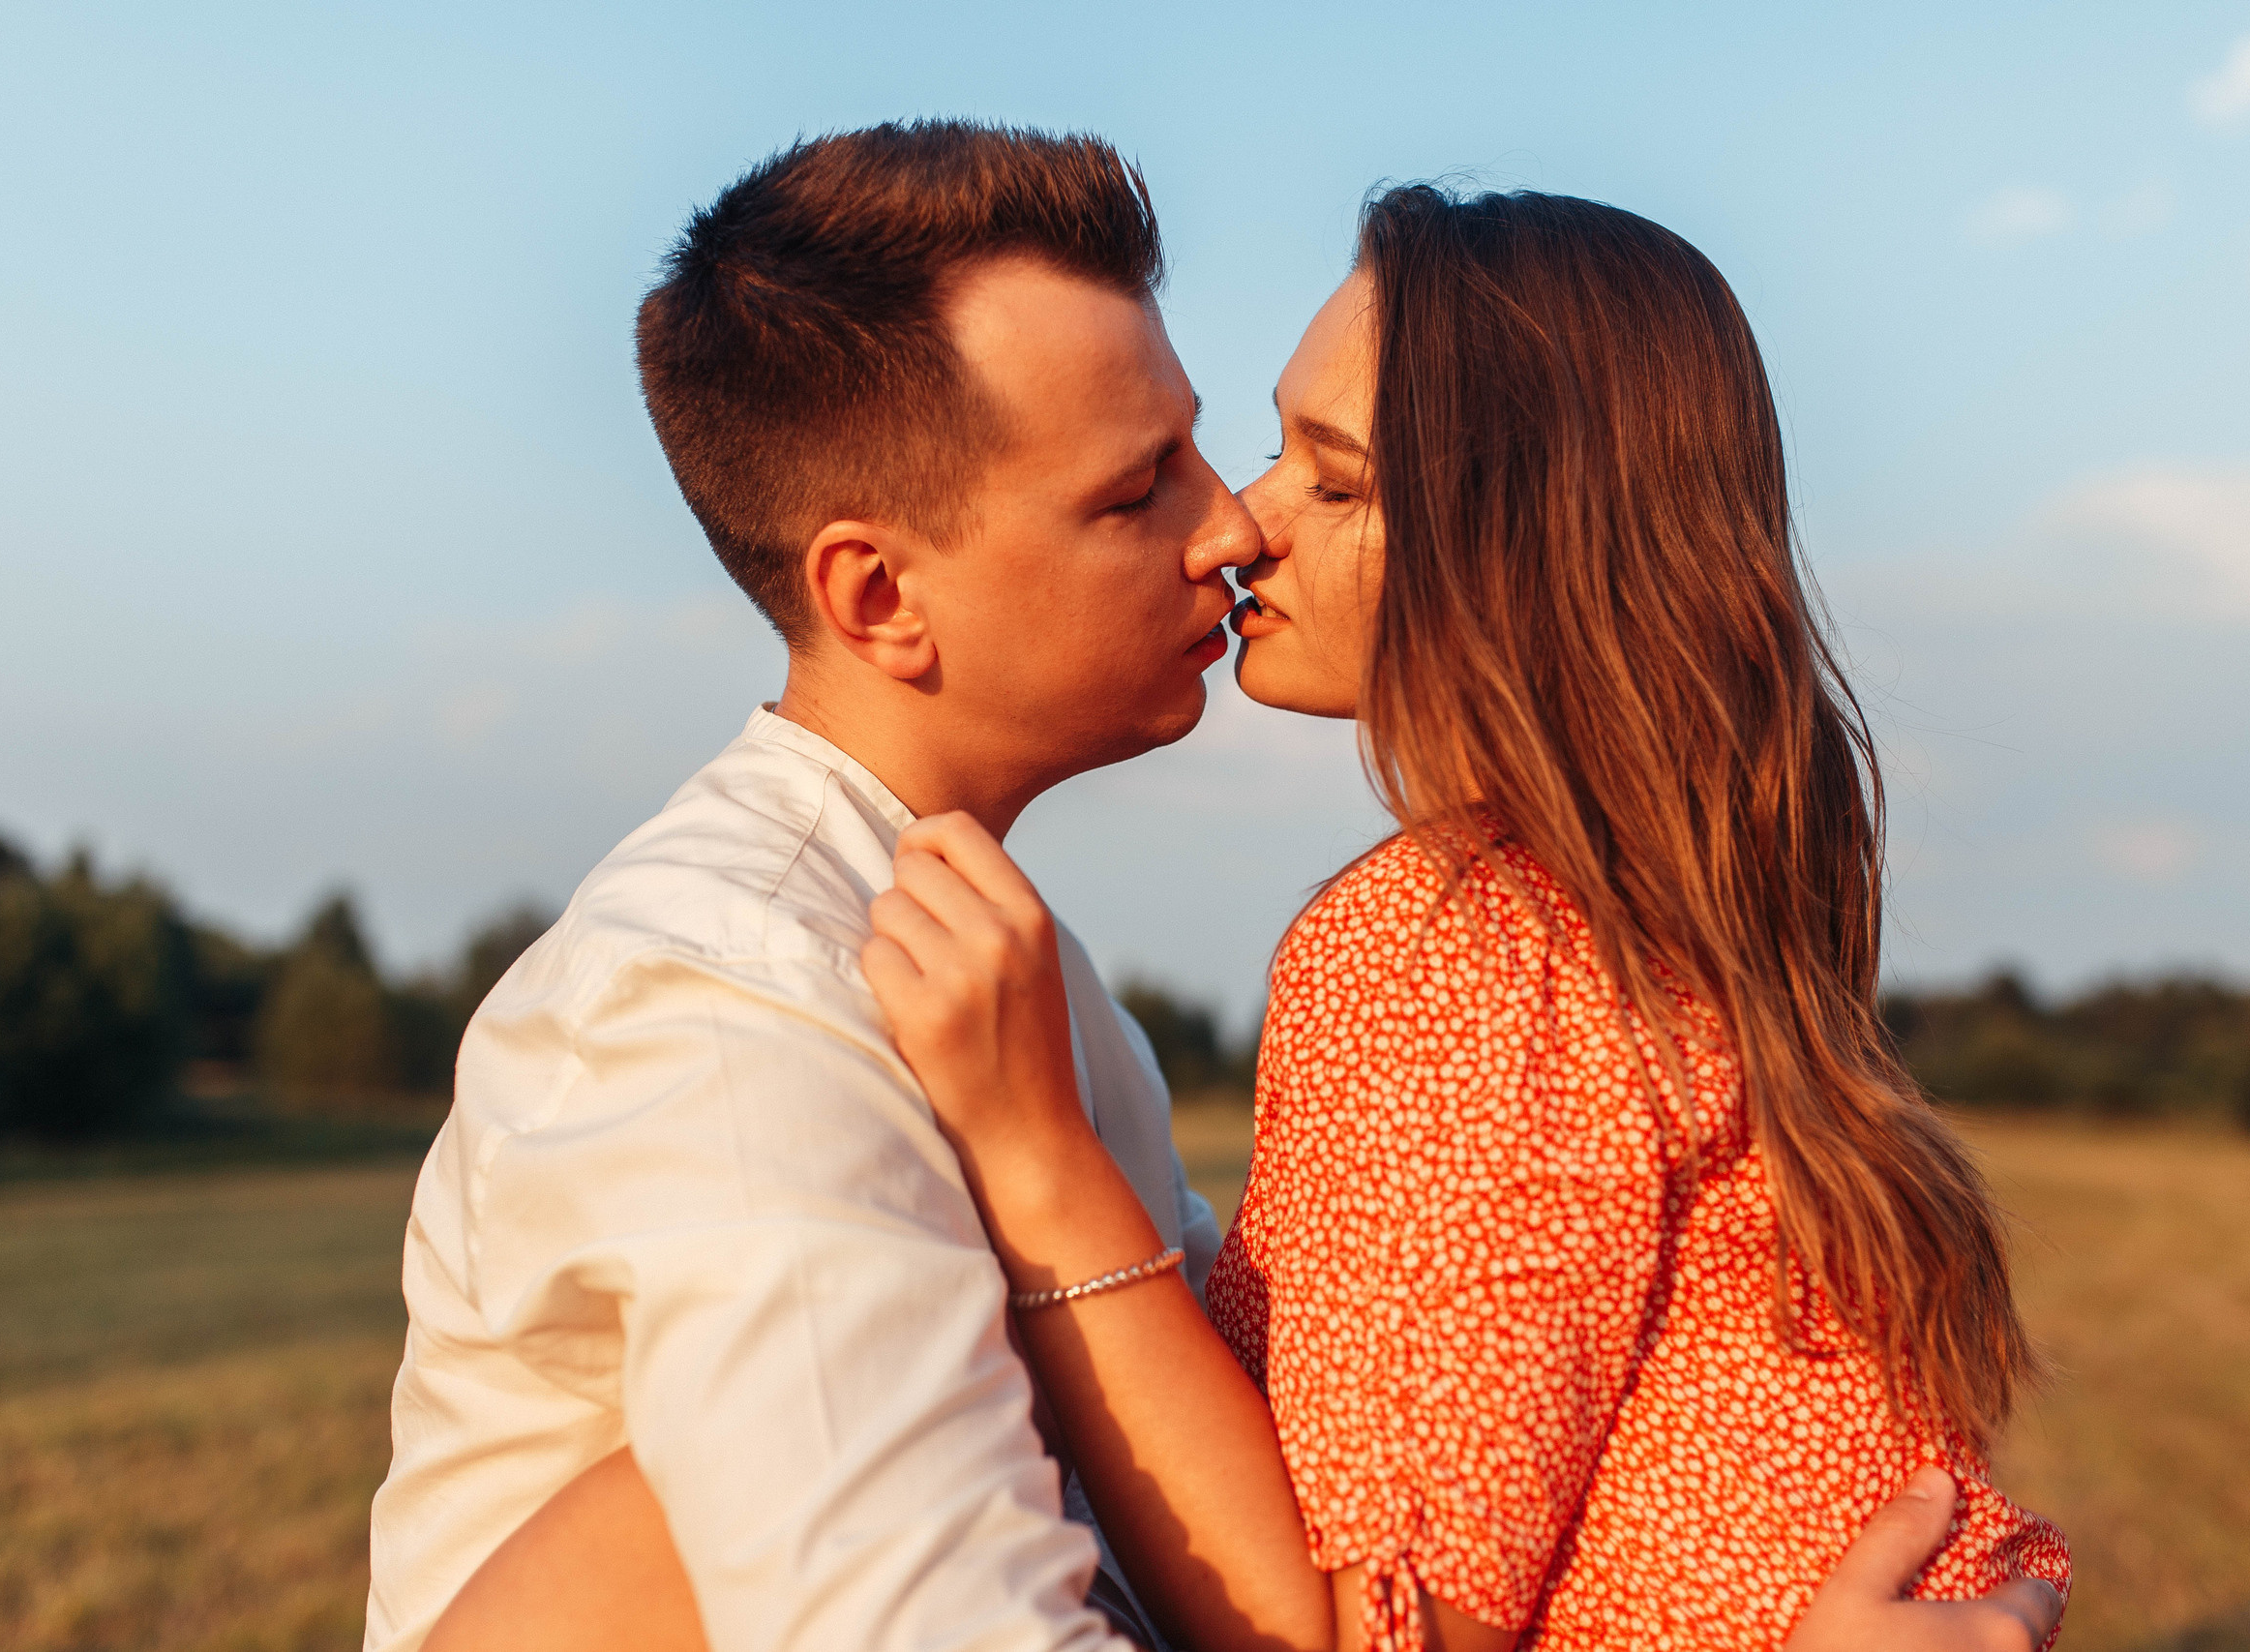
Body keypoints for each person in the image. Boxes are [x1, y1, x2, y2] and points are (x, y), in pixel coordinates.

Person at [386, 127, 2064, 1652]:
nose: (1232, 528)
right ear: (881, 592)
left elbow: (1286, 1497)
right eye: (1143, 489)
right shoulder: (723, 1010)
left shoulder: (1078, 999)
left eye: (1270, 464)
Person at [855, 188, 2072, 1650]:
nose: (1244, 523)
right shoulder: (1651, 926)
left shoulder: (1465, 948)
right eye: (1279, 448)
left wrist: (1037, 1162)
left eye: (1340, 481)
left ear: (1526, 548)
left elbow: (1370, 1637)